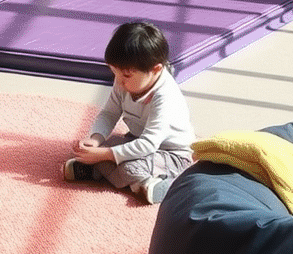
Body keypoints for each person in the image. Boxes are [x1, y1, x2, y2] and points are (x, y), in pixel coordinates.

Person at [62, 20, 195, 204]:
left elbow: (149, 144)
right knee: (101, 149)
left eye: (125, 76)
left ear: (155, 69)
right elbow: (109, 113)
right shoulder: (122, 81)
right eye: (114, 73)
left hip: (172, 155)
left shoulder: (165, 96)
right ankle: (121, 177)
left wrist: (106, 155)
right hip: (136, 139)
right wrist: (95, 140)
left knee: (128, 166)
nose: (119, 82)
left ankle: (163, 185)